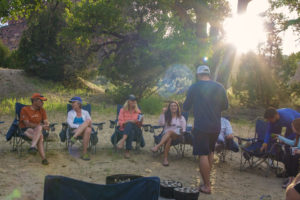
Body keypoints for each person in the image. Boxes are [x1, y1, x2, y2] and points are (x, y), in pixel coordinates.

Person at [183, 65, 228, 194]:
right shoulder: (219, 87)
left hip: (201, 126)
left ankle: (207, 186)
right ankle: (206, 180)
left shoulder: (194, 87)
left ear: (198, 75)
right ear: (209, 74)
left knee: (202, 154)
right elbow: (225, 106)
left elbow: (186, 107)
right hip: (215, 126)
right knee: (210, 151)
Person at [151, 101, 186, 166]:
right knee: (169, 138)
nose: (173, 107)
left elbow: (183, 130)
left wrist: (179, 130)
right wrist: (162, 113)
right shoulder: (166, 116)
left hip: (177, 136)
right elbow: (161, 124)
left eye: (175, 106)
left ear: (177, 108)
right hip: (166, 136)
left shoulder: (181, 118)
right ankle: (165, 159)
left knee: (169, 132)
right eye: (171, 106)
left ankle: (157, 146)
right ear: (169, 108)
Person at [19, 93, 50, 165]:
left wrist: (47, 124)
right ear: (35, 101)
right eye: (41, 101)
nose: (43, 103)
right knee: (40, 134)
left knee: (39, 130)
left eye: (43, 101)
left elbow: (45, 121)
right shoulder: (25, 109)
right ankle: (43, 158)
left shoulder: (42, 110)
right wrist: (41, 126)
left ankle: (32, 147)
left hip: (37, 131)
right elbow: (27, 124)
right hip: (26, 129)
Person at [275, 118, 300, 188]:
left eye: (293, 126)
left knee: (294, 158)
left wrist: (299, 151)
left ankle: (293, 180)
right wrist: (280, 137)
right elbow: (292, 143)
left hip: (298, 155)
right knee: (288, 156)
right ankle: (290, 178)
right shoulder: (298, 136)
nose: (292, 128)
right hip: (297, 154)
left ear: (297, 127)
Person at [67, 97, 92, 161]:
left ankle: (74, 137)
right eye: (71, 103)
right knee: (88, 129)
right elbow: (70, 124)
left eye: (73, 103)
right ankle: (84, 154)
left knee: (88, 125)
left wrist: (83, 126)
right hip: (74, 130)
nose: (72, 104)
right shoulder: (70, 113)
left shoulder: (85, 112)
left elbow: (90, 123)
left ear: (79, 104)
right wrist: (81, 127)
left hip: (80, 131)